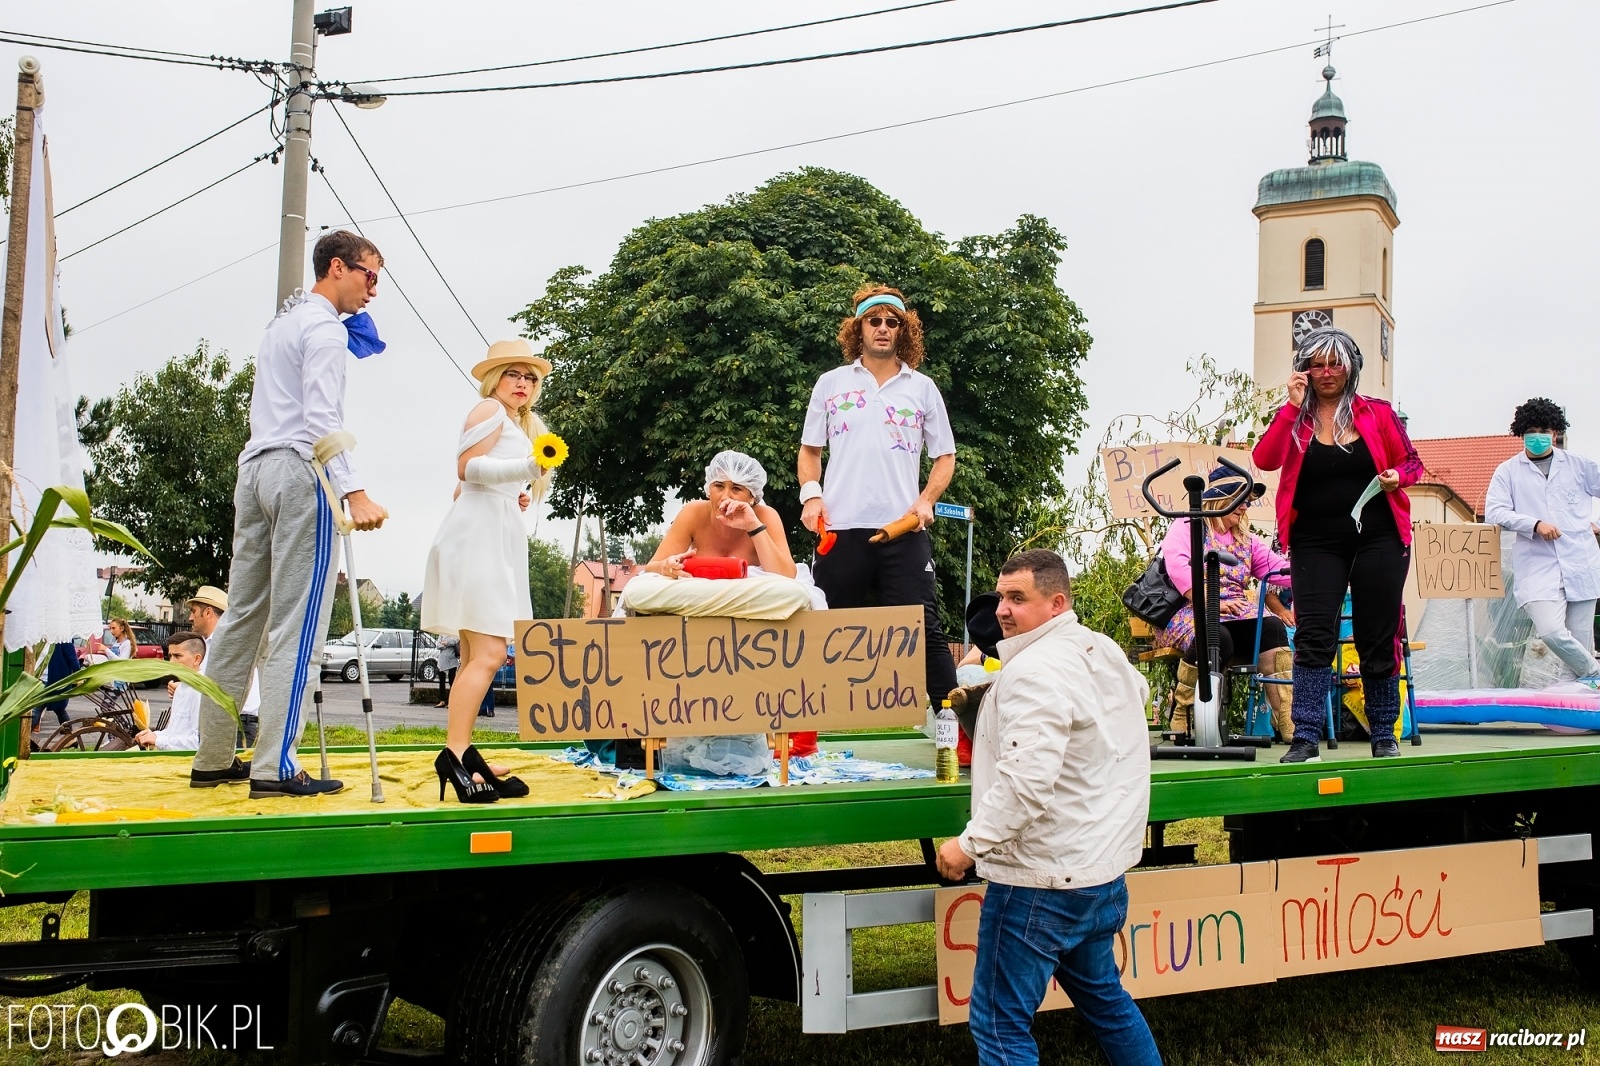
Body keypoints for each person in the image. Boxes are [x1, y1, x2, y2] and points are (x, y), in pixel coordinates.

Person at [934, 550, 1160, 1066]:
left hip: (1040, 881)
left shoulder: (1033, 671)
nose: (1003, 610)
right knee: (1106, 1001)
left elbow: (1025, 785)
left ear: (1057, 603)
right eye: (1001, 597)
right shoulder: (1099, 649)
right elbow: (1135, 695)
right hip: (1099, 874)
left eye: (1018, 598)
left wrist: (967, 846)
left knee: (998, 1025)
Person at [191, 230, 388, 798]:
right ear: (336, 267)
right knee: (298, 625)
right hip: (301, 470)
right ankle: (275, 765)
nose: (373, 291)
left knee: (241, 617)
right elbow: (323, 417)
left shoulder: (283, 323)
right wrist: (354, 492)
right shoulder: (324, 327)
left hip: (255, 468)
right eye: (369, 276)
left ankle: (212, 755)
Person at [1254, 325, 1424, 763]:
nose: (1327, 372)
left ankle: (1382, 733)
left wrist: (1396, 478)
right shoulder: (1297, 418)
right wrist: (1290, 409)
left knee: (1377, 634)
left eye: (1335, 363)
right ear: (1304, 370)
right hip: (1315, 539)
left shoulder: (1377, 413)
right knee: (1313, 634)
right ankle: (1305, 735)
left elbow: (1412, 462)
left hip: (1380, 536)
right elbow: (1265, 459)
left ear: (1350, 367)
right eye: (1317, 364)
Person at [798, 284, 960, 730]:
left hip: (903, 530)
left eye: (894, 322)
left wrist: (926, 500)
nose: (884, 329)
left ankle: (958, 732)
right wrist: (811, 495)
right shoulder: (831, 384)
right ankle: (804, 735)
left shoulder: (923, 389)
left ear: (905, 331)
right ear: (859, 328)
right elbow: (810, 451)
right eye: (875, 321)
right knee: (821, 629)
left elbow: (945, 455)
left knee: (924, 630)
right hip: (840, 527)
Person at [421, 339, 555, 803]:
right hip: (479, 540)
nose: (523, 384)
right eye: (514, 374)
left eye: (530, 378)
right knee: (490, 654)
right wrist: (526, 467)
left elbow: (476, 483)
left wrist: (514, 489)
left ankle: (460, 750)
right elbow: (465, 469)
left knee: (478, 651)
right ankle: (456, 757)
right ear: (495, 378)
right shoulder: (489, 411)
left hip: (488, 532)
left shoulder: (510, 421)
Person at [1156, 465, 1294, 740]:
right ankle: (1182, 710)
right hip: (1193, 608)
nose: (1245, 507)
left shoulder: (1247, 540)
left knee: (1273, 629)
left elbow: (1278, 570)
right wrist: (1210, 603)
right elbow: (1177, 566)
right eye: (1240, 500)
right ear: (1221, 498)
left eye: (1247, 502)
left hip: (1237, 612)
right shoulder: (1188, 526)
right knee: (1217, 636)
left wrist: (1319, 573)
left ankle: (1287, 722)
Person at [1485, 397, 1600, 682]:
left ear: (1555, 432)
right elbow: (1495, 511)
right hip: (1537, 565)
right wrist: (1533, 524)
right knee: (1551, 632)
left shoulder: (1579, 466)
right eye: (1532, 430)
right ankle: (1595, 672)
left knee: (1577, 647)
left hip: (1581, 561)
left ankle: (1573, 723)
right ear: (1521, 432)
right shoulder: (1508, 471)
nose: (1538, 436)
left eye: (1545, 430)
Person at [645, 451, 797, 579]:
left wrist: (754, 526)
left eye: (736, 489)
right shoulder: (693, 513)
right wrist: (666, 566)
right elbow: (651, 567)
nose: (725, 497)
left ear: (752, 497)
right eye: (718, 486)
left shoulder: (766, 516)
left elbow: (787, 576)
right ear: (708, 489)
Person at [184, 586, 261, 747]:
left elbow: (219, 684)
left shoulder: (230, 642)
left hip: (235, 725)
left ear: (208, 612)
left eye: (194, 611)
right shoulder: (209, 643)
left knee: (224, 771)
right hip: (224, 723)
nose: (190, 617)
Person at [135, 632, 206, 751]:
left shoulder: (200, 690)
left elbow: (199, 742)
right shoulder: (181, 688)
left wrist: (157, 740)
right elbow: (176, 732)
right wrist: (154, 735)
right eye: (170, 656)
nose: (172, 662)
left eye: (178, 656)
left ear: (196, 659)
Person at [32, 642, 78, 735]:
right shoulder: (44, 640)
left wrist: (80, 676)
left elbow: (73, 659)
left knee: (36, 708)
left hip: (54, 681)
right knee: (60, 709)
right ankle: (70, 737)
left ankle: (22, 737)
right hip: (43, 679)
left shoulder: (63, 640)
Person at [435, 635, 460, 708]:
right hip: (442, 660)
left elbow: (454, 641)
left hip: (452, 660)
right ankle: (442, 701)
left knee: (452, 682)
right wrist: (445, 645)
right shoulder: (441, 634)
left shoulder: (454, 633)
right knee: (441, 682)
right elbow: (438, 645)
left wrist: (446, 642)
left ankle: (451, 701)